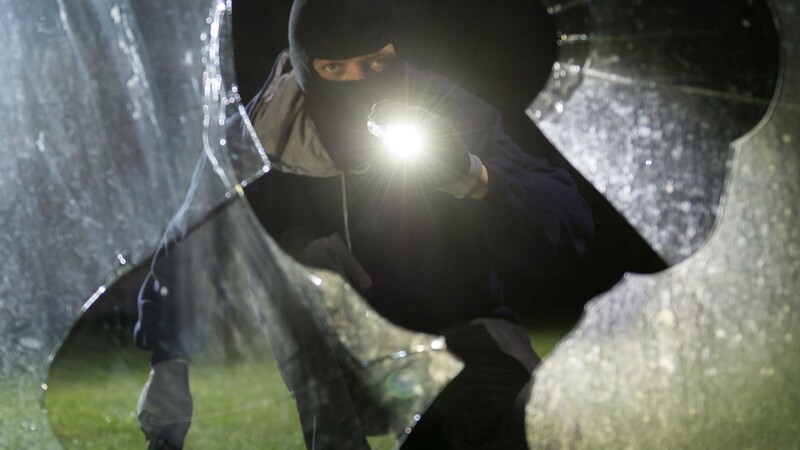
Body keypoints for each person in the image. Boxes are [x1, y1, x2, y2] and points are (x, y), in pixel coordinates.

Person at [134, 0, 593, 448]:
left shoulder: (442, 109)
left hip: (459, 341)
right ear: (305, 64)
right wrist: (168, 359)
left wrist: (475, 178)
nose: (356, 82)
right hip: (338, 365)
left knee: (516, 430)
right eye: (335, 69)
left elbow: (567, 221)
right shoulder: (260, 139)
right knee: (298, 263)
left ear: (395, 53)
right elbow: (192, 240)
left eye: (375, 63)